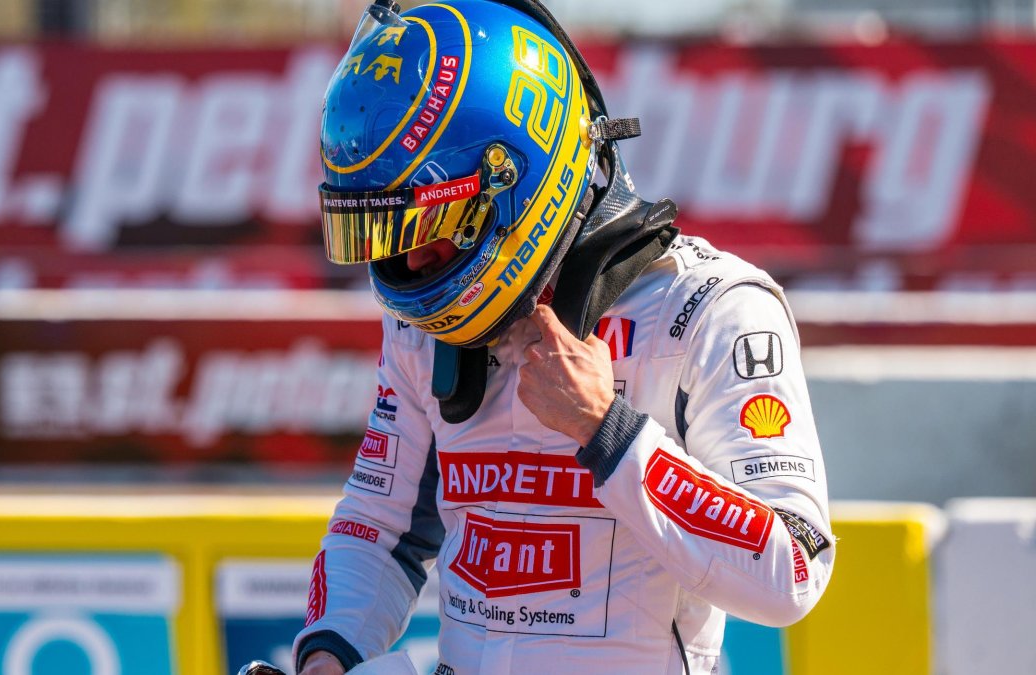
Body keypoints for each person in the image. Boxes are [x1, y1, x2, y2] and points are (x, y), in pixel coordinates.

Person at [293, 0, 835, 672]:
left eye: (425, 228)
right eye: (386, 233)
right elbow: (377, 530)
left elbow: (794, 569)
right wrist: (326, 654)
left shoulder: (710, 308)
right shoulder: (419, 328)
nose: (410, 261)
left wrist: (608, 429)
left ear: (513, 183)